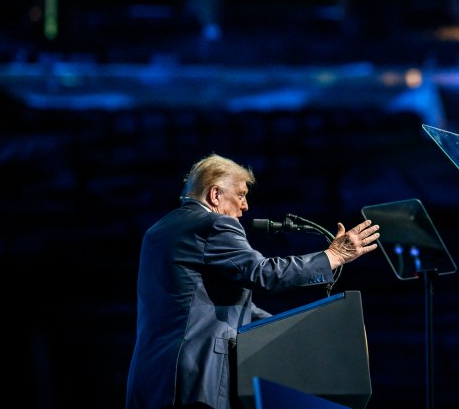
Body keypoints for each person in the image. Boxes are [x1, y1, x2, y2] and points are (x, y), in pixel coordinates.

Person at [124, 153, 380, 409]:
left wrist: (295, 330)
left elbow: (215, 305)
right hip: (198, 376)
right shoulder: (214, 224)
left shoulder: (158, 230)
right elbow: (263, 273)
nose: (245, 206)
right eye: (241, 194)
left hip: (152, 375)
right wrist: (333, 256)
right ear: (215, 195)